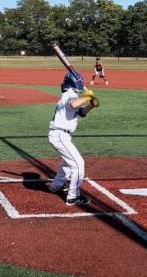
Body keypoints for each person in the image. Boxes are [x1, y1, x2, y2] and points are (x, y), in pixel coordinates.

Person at [47, 72, 99, 206]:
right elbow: (73, 105)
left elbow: (80, 112)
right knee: (78, 164)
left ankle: (56, 185)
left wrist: (91, 105)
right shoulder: (70, 94)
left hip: (61, 135)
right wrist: (87, 97)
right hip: (60, 135)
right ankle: (72, 197)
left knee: (68, 163)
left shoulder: (70, 95)